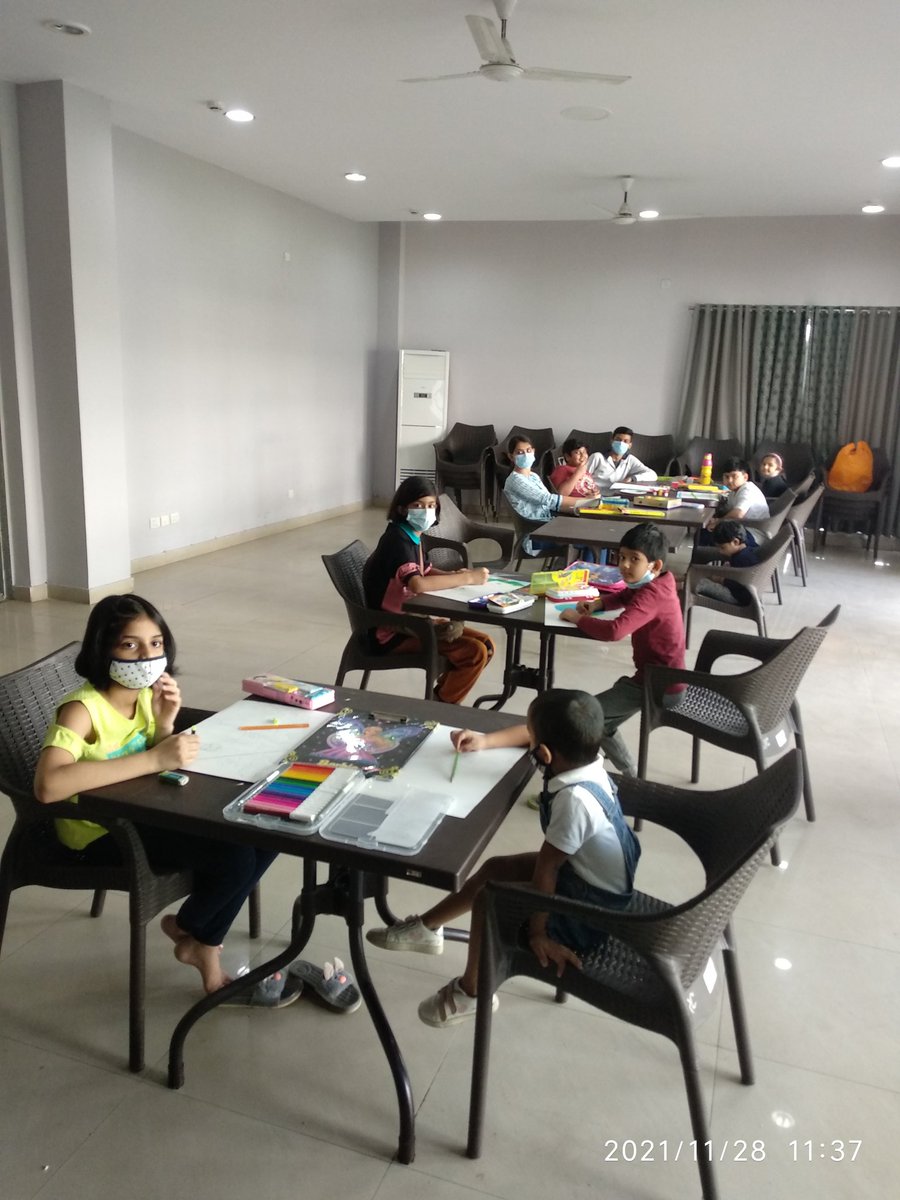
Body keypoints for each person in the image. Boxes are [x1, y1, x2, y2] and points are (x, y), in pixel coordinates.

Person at [33, 594, 287, 1002]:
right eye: (129, 645)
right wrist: (155, 758)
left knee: (266, 828)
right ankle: (197, 937)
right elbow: (48, 786)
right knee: (235, 858)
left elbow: (150, 754)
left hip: (142, 810)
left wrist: (165, 725)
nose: (146, 656)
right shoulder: (82, 710)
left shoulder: (143, 697)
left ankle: (197, 936)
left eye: (155, 643)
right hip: (99, 832)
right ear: (102, 650)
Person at [366, 690, 640, 1026]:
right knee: (498, 868)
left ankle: (472, 992)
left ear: (544, 753)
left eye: (533, 736)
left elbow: (548, 869)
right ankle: (426, 928)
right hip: (587, 876)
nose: (528, 738)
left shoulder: (575, 801)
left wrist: (538, 933)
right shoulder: (584, 758)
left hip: (591, 911)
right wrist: (483, 742)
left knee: (489, 900)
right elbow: (529, 734)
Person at [558, 522, 685, 775]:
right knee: (601, 720)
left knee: (589, 717)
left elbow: (615, 631)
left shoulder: (652, 595)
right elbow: (626, 596)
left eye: (634, 559)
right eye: (621, 556)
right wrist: (599, 604)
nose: (624, 565)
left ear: (655, 565)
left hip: (659, 684)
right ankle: (629, 772)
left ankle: (627, 775)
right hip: (656, 677)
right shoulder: (658, 583)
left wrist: (578, 619)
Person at [363, 476, 495, 704]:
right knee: (475, 652)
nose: (426, 511)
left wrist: (453, 576)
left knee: (486, 644)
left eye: (431, 505)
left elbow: (424, 570)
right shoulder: (397, 541)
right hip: (392, 632)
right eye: (418, 505)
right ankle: (441, 706)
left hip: (412, 622)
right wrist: (466, 577)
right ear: (402, 508)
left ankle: (441, 696)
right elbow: (417, 583)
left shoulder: (412, 534)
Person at [503, 435, 581, 557]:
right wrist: (586, 502)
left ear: (533, 451)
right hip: (534, 536)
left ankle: (569, 566)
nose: (526, 455)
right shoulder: (515, 480)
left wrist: (582, 507)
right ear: (511, 456)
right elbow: (549, 500)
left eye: (528, 450)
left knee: (590, 536)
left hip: (548, 527)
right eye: (520, 452)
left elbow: (551, 504)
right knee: (590, 541)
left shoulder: (533, 476)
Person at [694, 520, 760, 606]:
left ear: (735, 542)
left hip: (738, 597)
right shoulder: (746, 550)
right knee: (706, 576)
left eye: (722, 547)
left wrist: (721, 580)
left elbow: (738, 583)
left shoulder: (742, 559)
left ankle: (681, 585)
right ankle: (687, 579)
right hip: (742, 592)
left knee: (701, 583)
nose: (720, 551)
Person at [592, 426, 658, 487]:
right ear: (612, 441)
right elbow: (585, 475)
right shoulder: (597, 457)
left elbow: (653, 475)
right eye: (618, 440)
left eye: (625, 441)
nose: (621, 443)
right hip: (595, 494)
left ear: (630, 445)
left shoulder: (630, 460)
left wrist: (632, 478)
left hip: (618, 494)